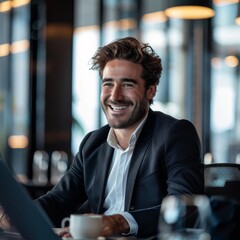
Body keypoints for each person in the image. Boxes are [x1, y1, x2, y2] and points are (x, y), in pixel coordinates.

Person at [1, 37, 204, 238]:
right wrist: (14, 215)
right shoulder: (93, 143)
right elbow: (58, 200)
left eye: (127, 84)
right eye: (108, 84)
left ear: (150, 90)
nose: (115, 96)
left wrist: (119, 222)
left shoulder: (175, 133)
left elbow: (185, 207)